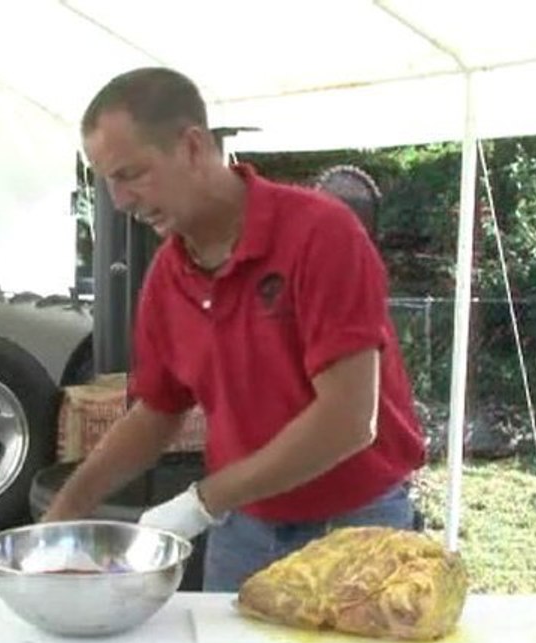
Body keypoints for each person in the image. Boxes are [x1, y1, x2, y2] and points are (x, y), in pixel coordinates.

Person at [42, 67, 426, 592]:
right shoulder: (168, 276)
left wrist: (202, 502)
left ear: (193, 147)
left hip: (356, 524)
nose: (120, 200)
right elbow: (157, 411)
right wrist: (63, 513)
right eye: (108, 180)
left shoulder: (320, 233)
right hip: (244, 530)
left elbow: (348, 420)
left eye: (130, 174)